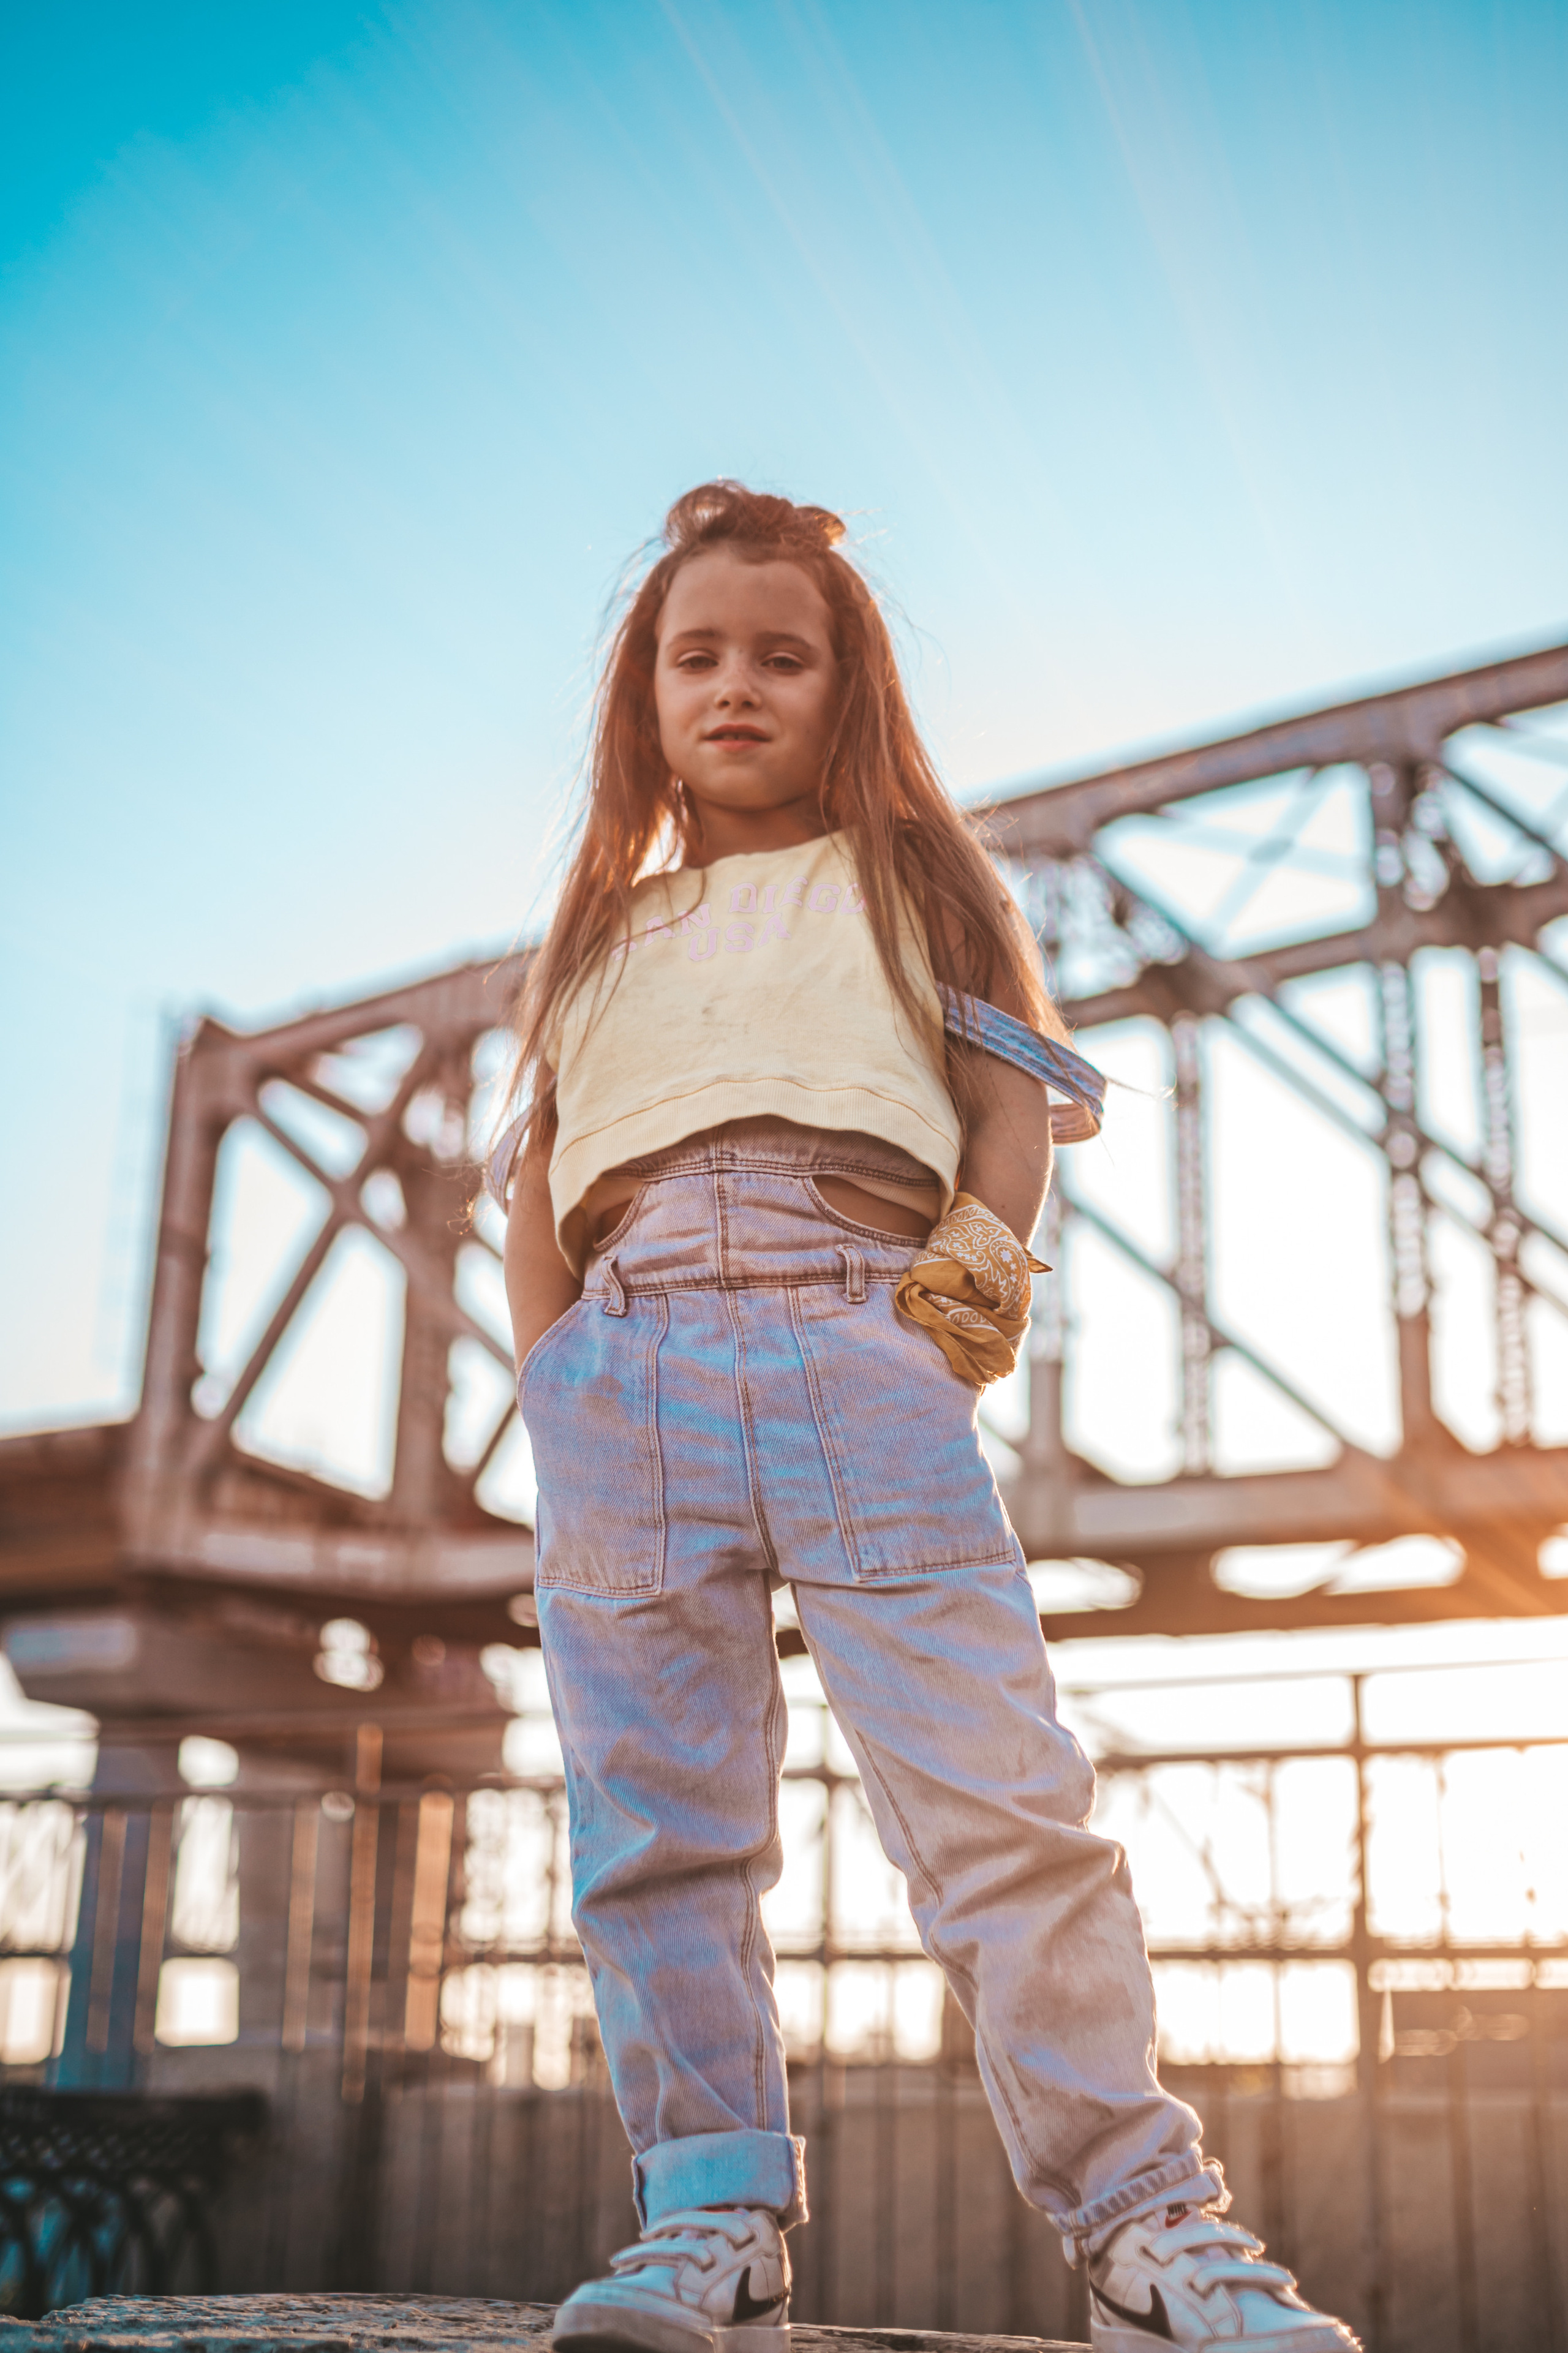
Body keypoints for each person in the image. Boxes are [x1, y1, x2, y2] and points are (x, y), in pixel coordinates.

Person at [492, 483, 1358, 2353]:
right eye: (694, 655)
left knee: (1003, 1809)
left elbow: (1014, 1103)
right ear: (641, 693)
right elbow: (535, 1170)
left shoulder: (918, 884)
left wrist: (941, 1333)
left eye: (780, 656)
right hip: (622, 1354)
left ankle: (1150, 2226)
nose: (735, 685)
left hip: (853, 1322)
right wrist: (552, 1374)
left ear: (846, 685)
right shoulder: (592, 933)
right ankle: (710, 2221)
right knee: (657, 1830)